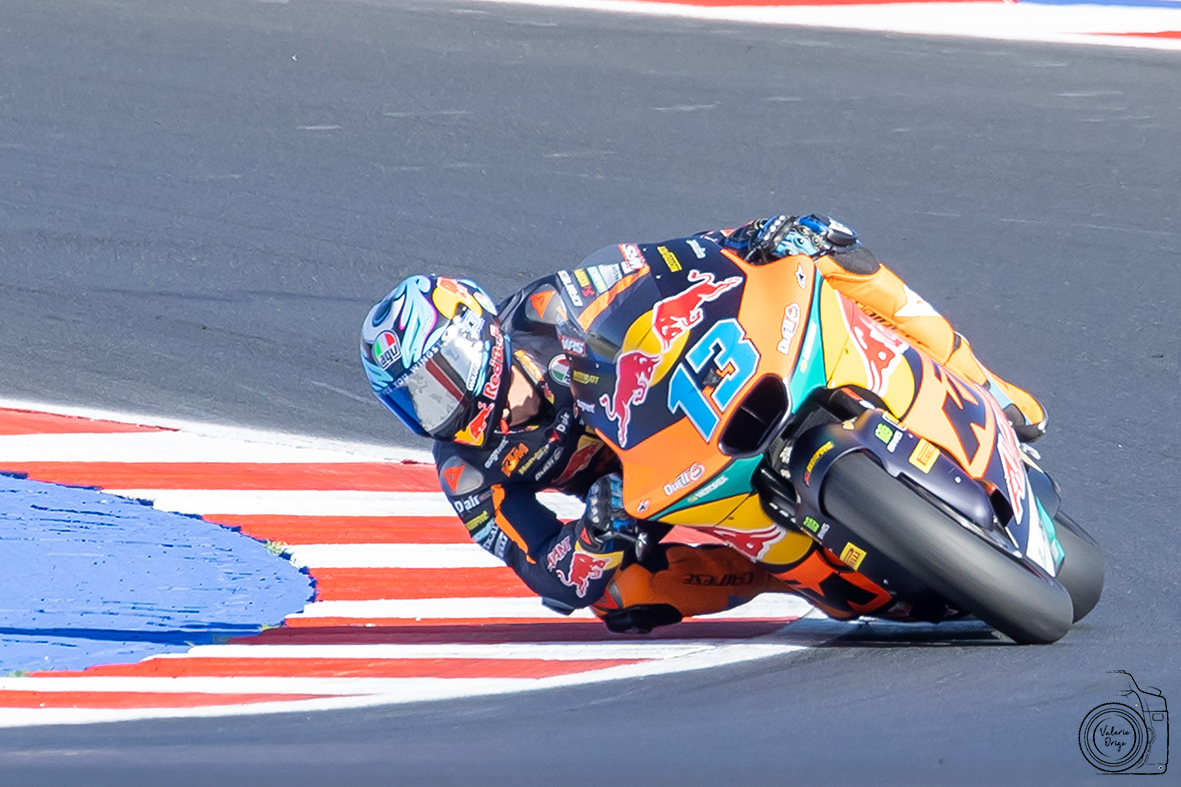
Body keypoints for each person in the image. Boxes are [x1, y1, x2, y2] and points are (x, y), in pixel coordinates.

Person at [359, 214, 1046, 633]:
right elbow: (544, 573)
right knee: (621, 598)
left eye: (440, 374)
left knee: (825, 249)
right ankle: (787, 574)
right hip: (642, 496)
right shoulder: (466, 468)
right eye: (417, 399)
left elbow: (669, 263)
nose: (440, 404)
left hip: (682, 401)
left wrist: (754, 238)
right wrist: (593, 536)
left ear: (476, 332)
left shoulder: (550, 306)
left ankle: (983, 381)